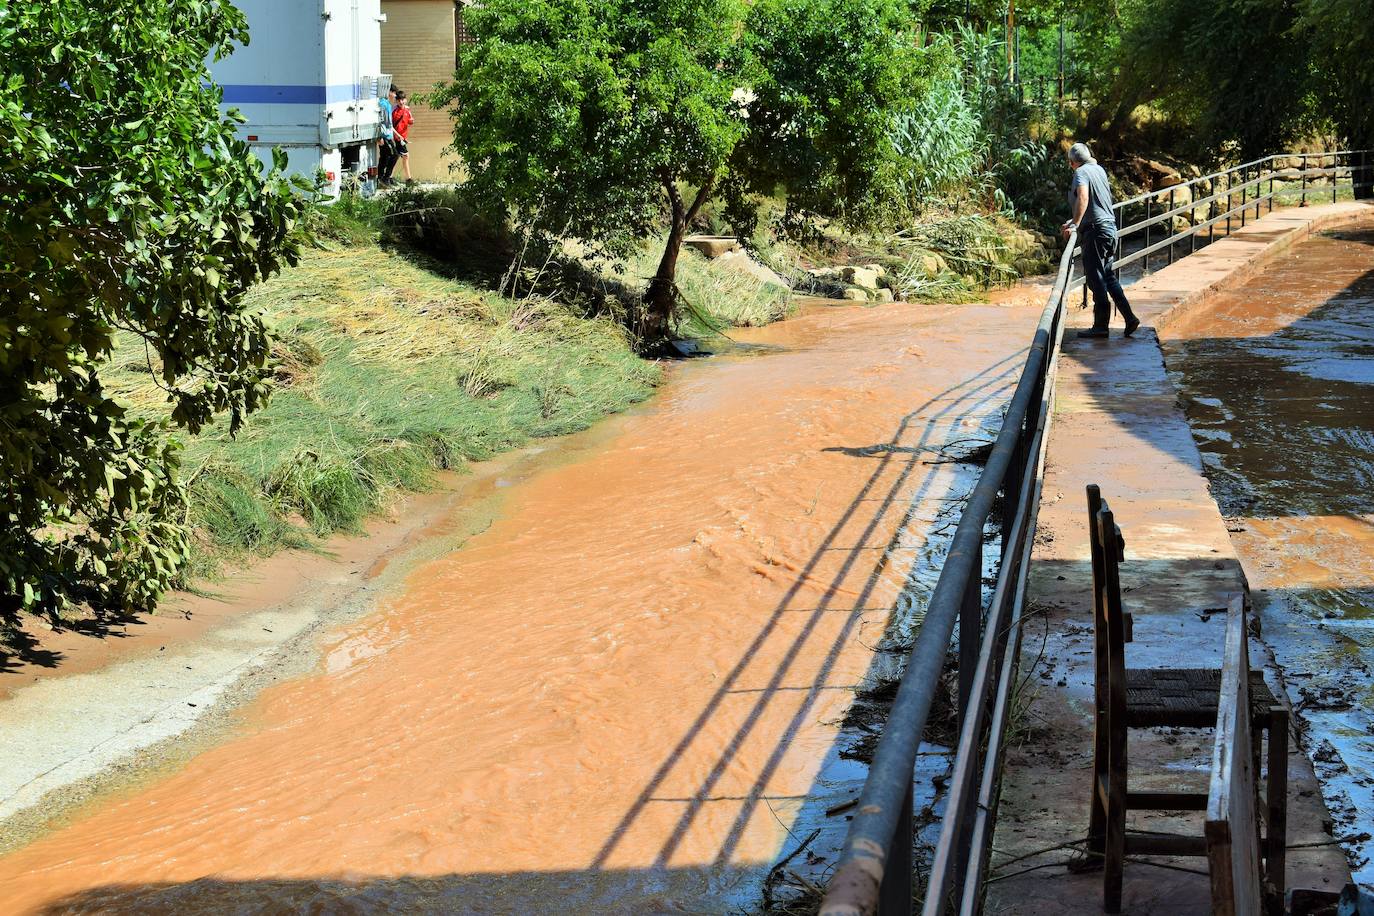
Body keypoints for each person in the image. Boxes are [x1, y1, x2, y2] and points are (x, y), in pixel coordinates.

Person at [1062, 142, 1139, 339]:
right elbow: (1097, 203)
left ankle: (1101, 326)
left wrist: (1075, 225)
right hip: (1109, 229)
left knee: (1095, 278)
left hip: (1095, 232)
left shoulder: (1081, 173)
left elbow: (1084, 198)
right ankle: (1129, 317)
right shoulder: (1099, 170)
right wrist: (1074, 220)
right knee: (1107, 276)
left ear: (1072, 162)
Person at [391, 89, 414, 184]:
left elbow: (410, 121)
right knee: (406, 156)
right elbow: (391, 125)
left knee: (395, 157)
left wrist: (410, 115)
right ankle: (409, 179)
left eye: (402, 99)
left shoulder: (407, 110)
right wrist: (398, 136)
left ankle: (389, 177)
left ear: (405, 100)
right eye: (399, 100)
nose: (401, 102)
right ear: (396, 101)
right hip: (397, 138)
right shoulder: (395, 112)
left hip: (402, 138)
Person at [377, 87, 396, 187]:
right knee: (394, 155)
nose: (395, 95)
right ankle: (385, 178)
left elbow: (389, 123)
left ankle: (381, 178)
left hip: (388, 135)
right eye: (394, 93)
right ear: (389, 92)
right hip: (384, 136)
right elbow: (380, 120)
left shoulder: (387, 104)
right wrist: (379, 136)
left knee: (385, 157)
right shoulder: (383, 104)